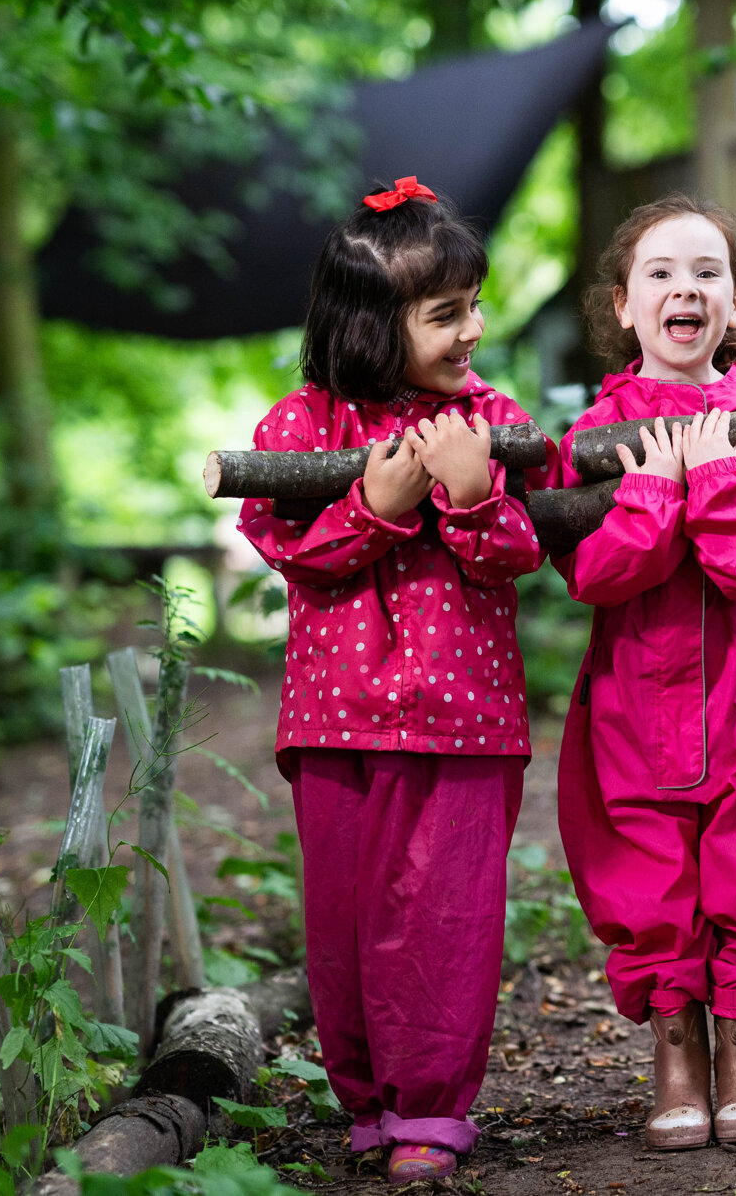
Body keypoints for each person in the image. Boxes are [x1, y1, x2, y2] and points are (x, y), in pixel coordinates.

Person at [236, 177, 550, 1184]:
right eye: (446, 312)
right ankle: (365, 1102)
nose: (473, 329)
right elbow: (290, 551)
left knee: (444, 919)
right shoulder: (300, 425)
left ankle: (430, 1109)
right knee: (343, 919)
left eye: (472, 306)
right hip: (336, 721)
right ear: (372, 323)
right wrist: (374, 504)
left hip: (464, 724)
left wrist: (465, 497)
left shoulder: (491, 418)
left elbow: (517, 551)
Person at [553, 193, 736, 1150]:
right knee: (646, 870)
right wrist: (654, 492)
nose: (685, 289)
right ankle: (675, 1051)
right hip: (632, 696)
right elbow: (595, 572)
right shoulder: (590, 439)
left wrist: (711, 478)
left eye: (707, 273)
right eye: (660, 273)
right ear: (623, 305)